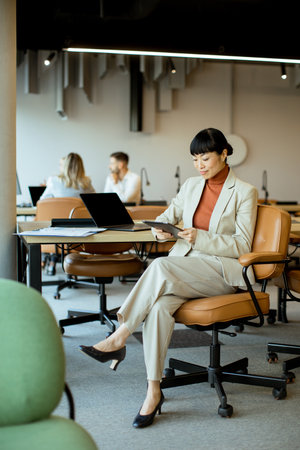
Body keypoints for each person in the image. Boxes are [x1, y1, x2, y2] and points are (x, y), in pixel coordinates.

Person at [79, 128, 258, 428]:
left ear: (224, 154)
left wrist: (200, 237)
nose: (200, 165)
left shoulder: (244, 192)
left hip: (221, 271)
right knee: (159, 307)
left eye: (206, 158)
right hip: (185, 268)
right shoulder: (190, 186)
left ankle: (120, 336)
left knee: (160, 267)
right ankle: (153, 390)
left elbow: (242, 245)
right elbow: (167, 215)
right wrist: (160, 228)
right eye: (195, 159)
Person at [40, 153, 95, 275]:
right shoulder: (86, 183)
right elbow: (94, 204)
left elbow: (42, 202)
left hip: (54, 235)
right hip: (80, 236)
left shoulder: (53, 181)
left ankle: (51, 260)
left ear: (64, 166)